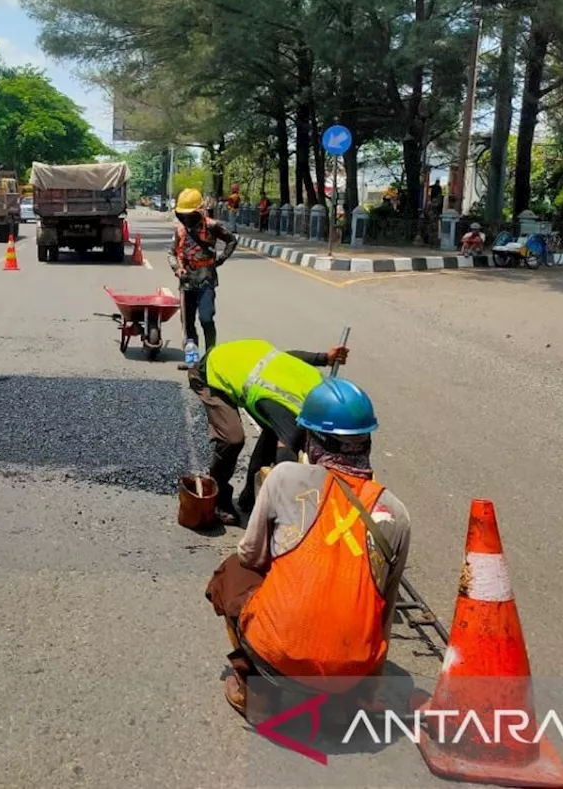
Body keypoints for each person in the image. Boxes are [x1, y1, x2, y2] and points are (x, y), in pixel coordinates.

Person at [205, 378, 410, 717]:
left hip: (277, 656)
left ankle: (254, 687)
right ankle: (345, 696)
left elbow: (251, 555)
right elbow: (385, 608)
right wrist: (368, 686)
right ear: (367, 442)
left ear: (311, 441)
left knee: (233, 570)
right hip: (351, 675)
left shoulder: (284, 477)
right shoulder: (396, 512)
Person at [188, 337, 349, 525]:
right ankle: (216, 497)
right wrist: (291, 513)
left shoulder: (316, 383)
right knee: (233, 438)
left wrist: (323, 358)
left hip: (241, 359)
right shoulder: (294, 417)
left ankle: (249, 497)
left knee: (274, 429)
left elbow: (285, 357)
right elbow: (286, 467)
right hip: (209, 373)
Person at [168, 188, 237, 367]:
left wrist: (221, 259)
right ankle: (192, 361)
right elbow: (171, 253)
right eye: (183, 214)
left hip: (206, 279)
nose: (186, 218)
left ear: (198, 211)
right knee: (188, 322)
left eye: (189, 214)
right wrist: (177, 268)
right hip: (187, 281)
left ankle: (211, 357)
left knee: (206, 318)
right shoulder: (181, 231)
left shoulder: (212, 226)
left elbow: (231, 240)